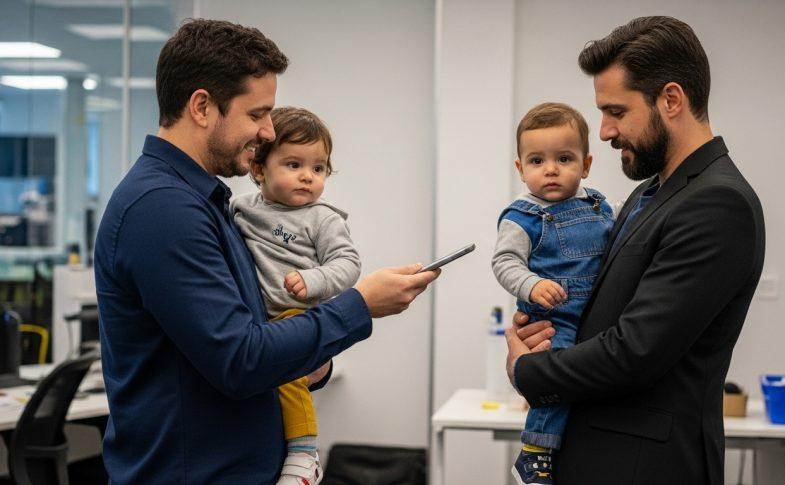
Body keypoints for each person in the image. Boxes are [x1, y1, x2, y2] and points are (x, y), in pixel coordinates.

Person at [94, 20, 439, 484]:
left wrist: (312, 363)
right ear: (202, 107)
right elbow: (240, 360)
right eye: (257, 113)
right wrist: (360, 306)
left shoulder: (208, 202)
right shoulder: (161, 209)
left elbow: (250, 333)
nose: (268, 130)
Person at [506, 16, 765, 484]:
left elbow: (635, 352)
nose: (604, 131)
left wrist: (531, 369)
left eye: (617, 112)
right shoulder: (650, 192)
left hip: (644, 466)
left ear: (670, 99)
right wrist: (544, 330)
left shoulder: (717, 202)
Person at [230, 106, 359, 484]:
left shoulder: (323, 218)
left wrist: (313, 279)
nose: (308, 177)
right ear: (258, 169)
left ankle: (304, 452)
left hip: (292, 313)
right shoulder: (238, 208)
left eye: (318, 169)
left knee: (286, 376)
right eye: (293, 165)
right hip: (253, 317)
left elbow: (348, 263)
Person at [492, 102, 614, 484]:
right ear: (520, 169)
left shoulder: (600, 205)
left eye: (564, 158)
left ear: (586, 164)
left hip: (596, 313)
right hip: (553, 316)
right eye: (537, 160)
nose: (551, 169)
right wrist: (532, 284)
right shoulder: (521, 217)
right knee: (553, 381)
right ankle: (535, 451)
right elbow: (505, 263)